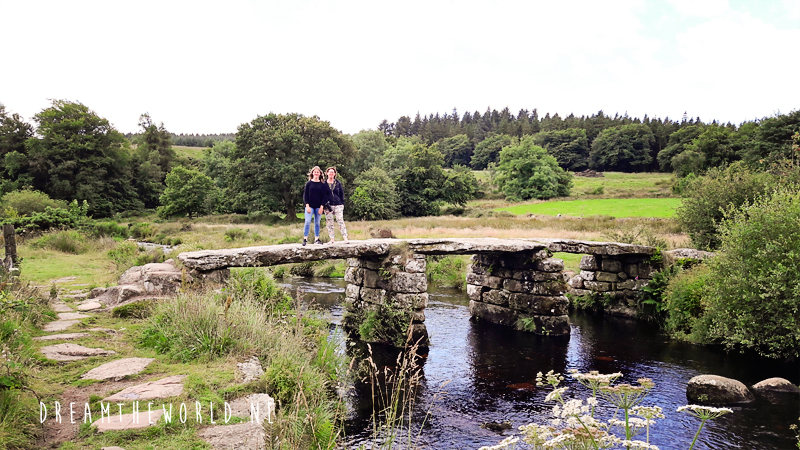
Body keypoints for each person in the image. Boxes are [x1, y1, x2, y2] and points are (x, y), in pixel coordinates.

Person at [302, 166, 330, 246]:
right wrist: (307, 206)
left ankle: (316, 239)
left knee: (317, 223)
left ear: (320, 173)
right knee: (307, 221)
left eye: (318, 172)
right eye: (315, 172)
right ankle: (305, 239)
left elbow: (324, 196)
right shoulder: (309, 184)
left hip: (319, 206)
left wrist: (322, 207)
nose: (316, 173)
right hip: (310, 206)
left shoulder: (322, 184)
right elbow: (305, 195)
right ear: (312, 173)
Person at [323, 166, 349, 244]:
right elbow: (322, 194)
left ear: (335, 174)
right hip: (328, 205)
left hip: (338, 204)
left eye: (332, 172)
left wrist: (342, 203)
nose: (331, 173)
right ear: (327, 173)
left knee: (340, 220)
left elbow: (341, 194)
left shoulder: (338, 183)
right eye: (330, 172)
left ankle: (345, 238)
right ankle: (332, 239)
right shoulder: (324, 184)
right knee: (329, 222)